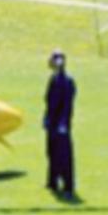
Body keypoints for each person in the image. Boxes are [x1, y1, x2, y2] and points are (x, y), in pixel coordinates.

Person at [43, 50, 77, 197]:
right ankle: (53, 181)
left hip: (61, 123)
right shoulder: (53, 78)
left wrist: (63, 123)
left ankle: (68, 186)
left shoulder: (67, 81)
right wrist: (46, 117)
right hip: (52, 121)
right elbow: (49, 101)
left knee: (64, 155)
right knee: (51, 152)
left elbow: (67, 105)